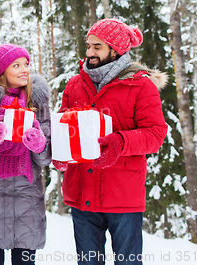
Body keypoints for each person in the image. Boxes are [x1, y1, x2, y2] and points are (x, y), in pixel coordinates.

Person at [53, 18, 168, 265]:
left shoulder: (140, 85)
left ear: (116, 50)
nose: (90, 53)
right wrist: (61, 151)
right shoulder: (75, 84)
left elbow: (156, 133)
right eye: (89, 46)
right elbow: (63, 125)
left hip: (122, 196)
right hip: (82, 193)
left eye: (98, 47)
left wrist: (121, 142)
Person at [0, 44, 52, 265]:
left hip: (27, 200)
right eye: (16, 65)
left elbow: (45, 158)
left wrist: (39, 144)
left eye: (26, 64)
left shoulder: (38, 102)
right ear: (1, 72)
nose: (24, 70)